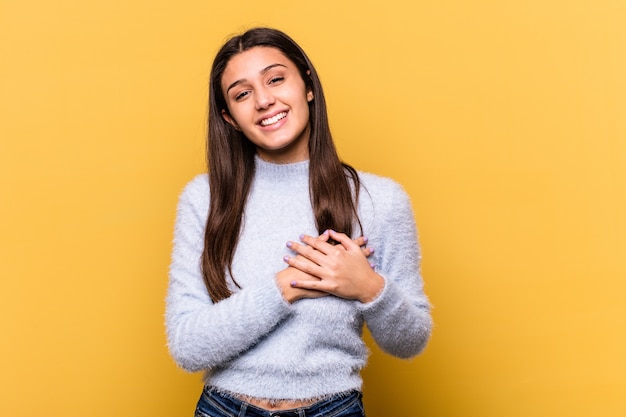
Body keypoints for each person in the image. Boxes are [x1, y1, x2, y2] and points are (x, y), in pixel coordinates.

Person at [166, 27, 432, 417]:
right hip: (223, 408)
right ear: (230, 118)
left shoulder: (380, 201)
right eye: (242, 93)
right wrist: (287, 285)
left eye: (276, 79)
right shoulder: (203, 199)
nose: (264, 100)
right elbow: (188, 348)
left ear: (308, 85)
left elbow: (410, 342)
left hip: (332, 409)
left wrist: (370, 288)